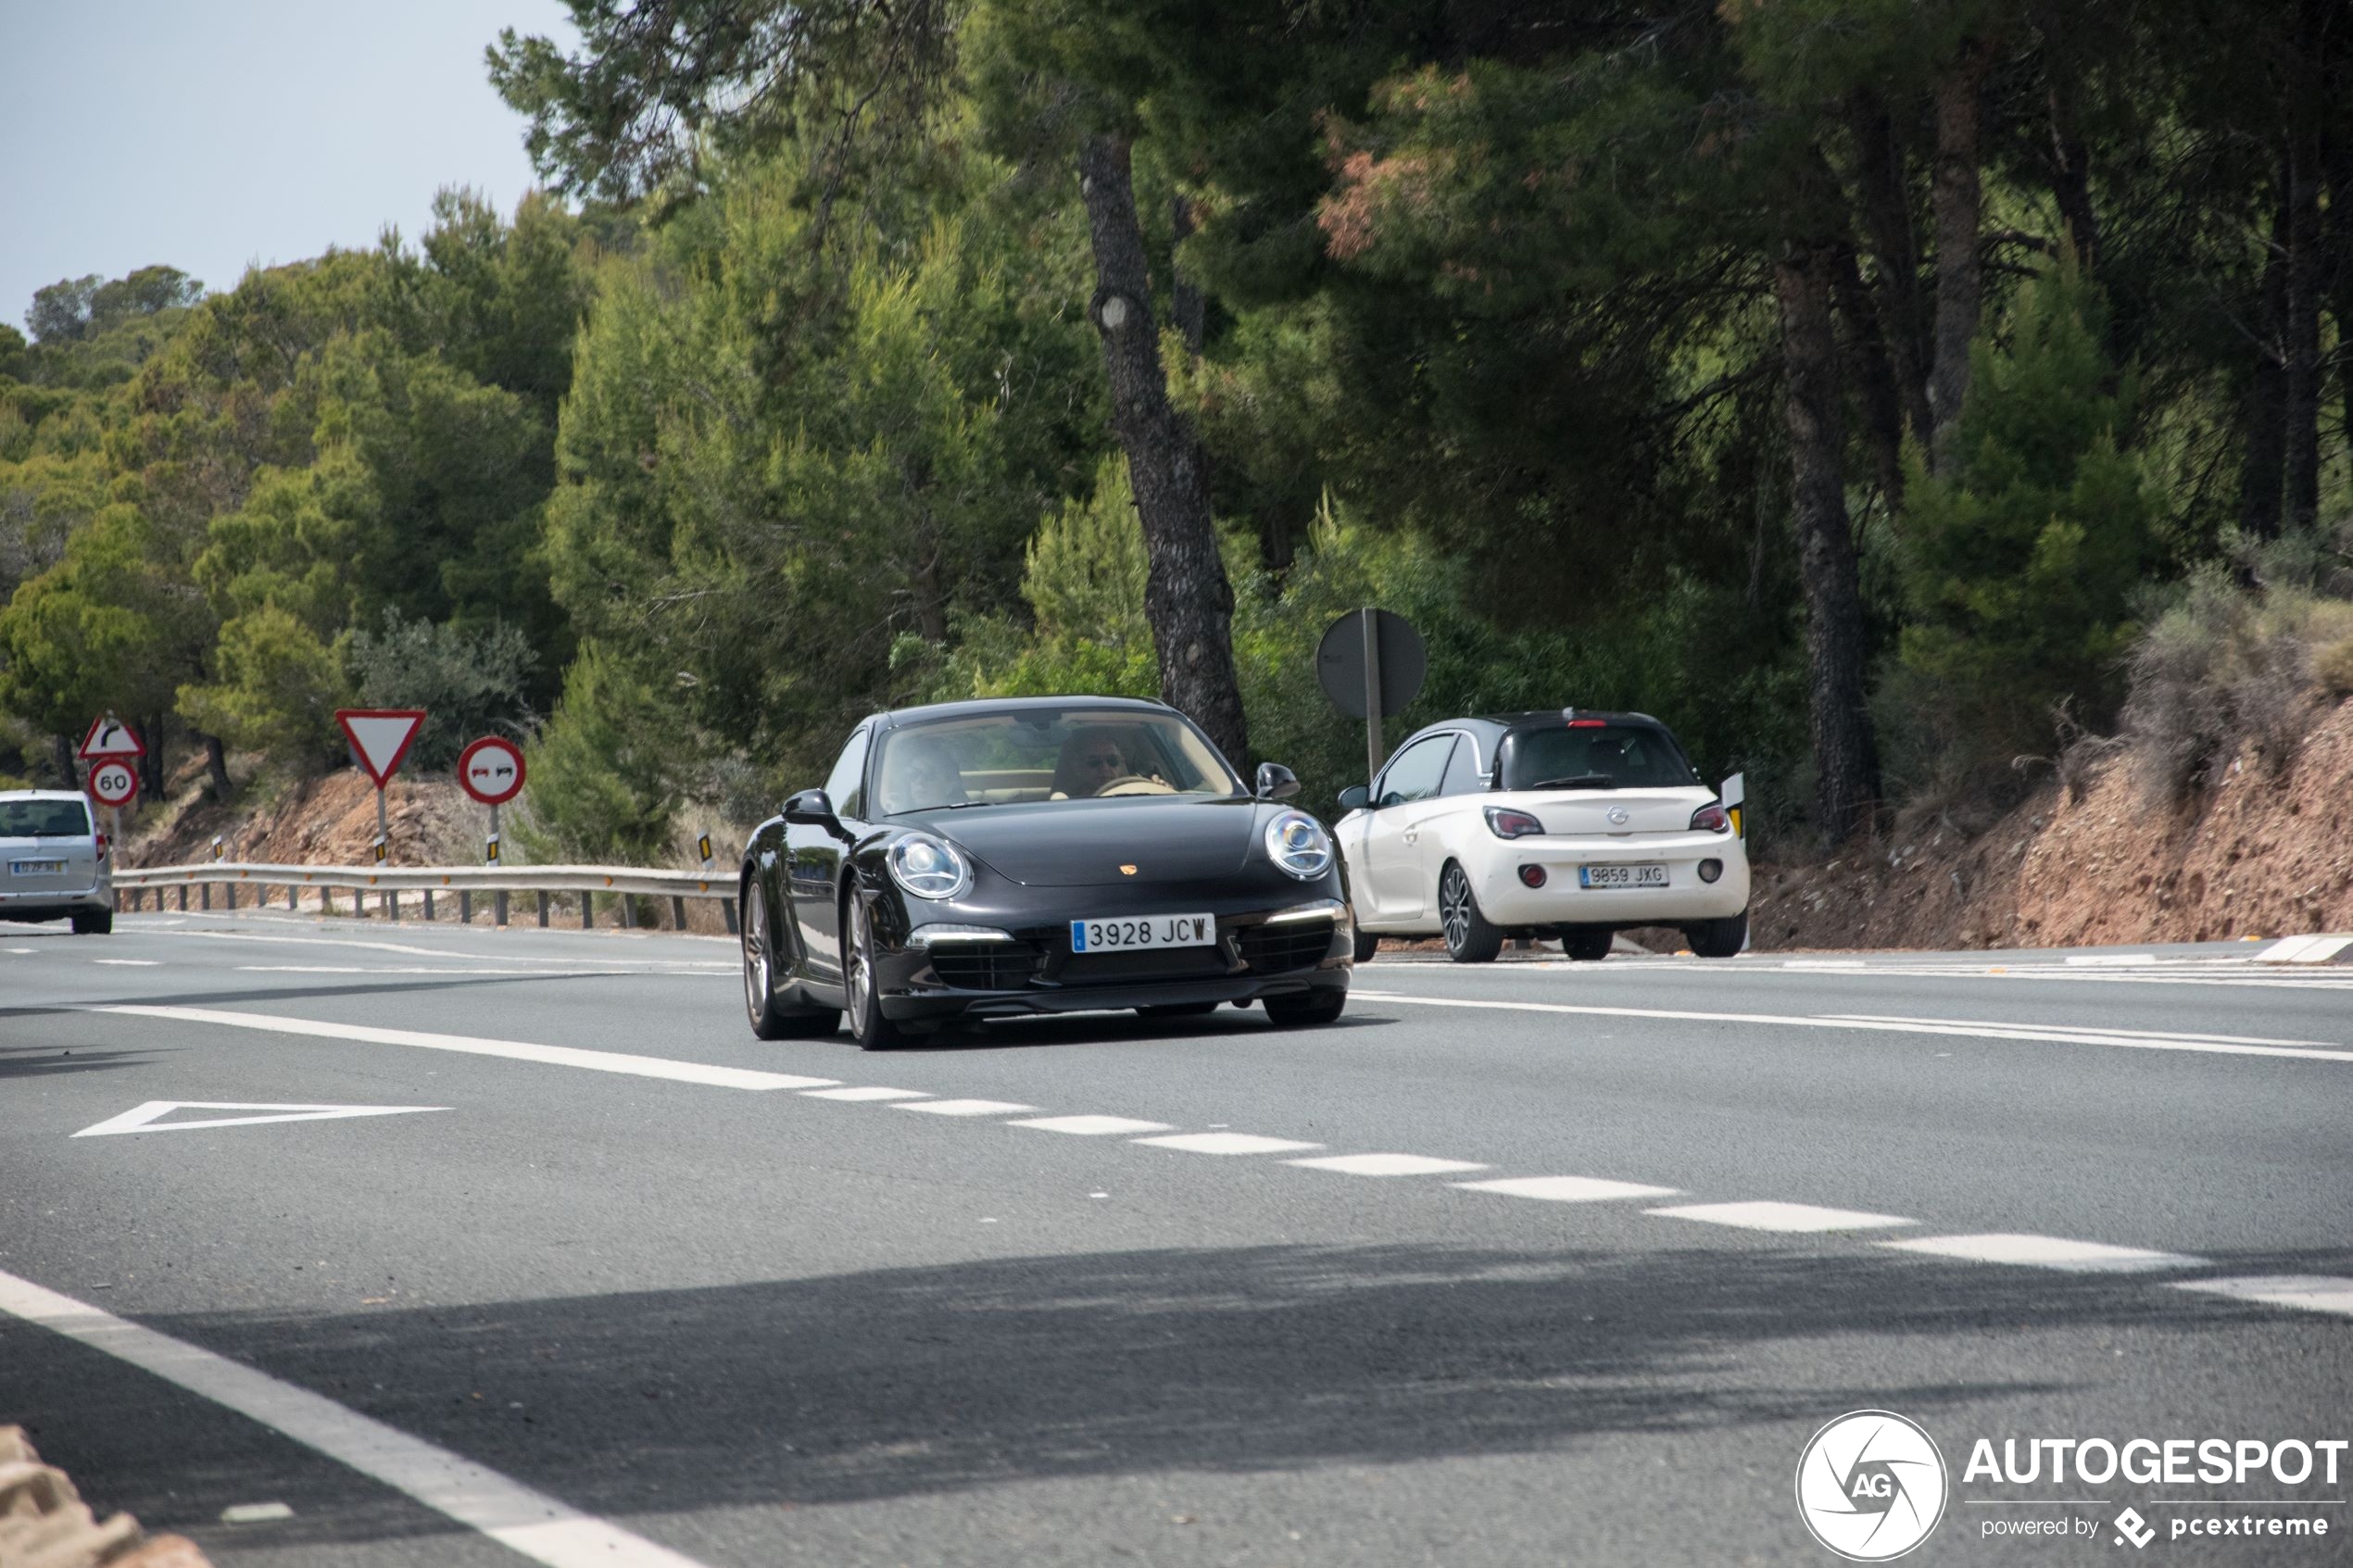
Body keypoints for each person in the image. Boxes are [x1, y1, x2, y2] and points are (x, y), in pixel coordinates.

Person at [1049, 727, 1168, 798]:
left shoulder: (1142, 795)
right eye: (1094, 762)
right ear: (1078, 767)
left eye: (1113, 761)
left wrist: (1164, 792)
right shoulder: (1066, 807)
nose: (1105, 768)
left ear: (1122, 763)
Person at [881, 735, 967, 812]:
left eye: (930, 774)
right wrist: (895, 810)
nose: (919, 781)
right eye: (914, 774)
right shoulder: (897, 816)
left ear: (949, 785)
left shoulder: (964, 816)